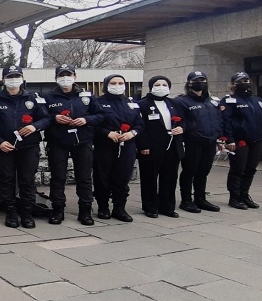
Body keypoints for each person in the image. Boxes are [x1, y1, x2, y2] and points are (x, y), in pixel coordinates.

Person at [0, 65, 51, 229]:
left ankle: (27, 213)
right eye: (10, 77)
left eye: (16, 76)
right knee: (6, 180)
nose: (13, 80)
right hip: (4, 147)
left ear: (22, 78)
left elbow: (46, 119)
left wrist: (35, 126)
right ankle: (11, 213)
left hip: (29, 146)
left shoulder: (34, 99)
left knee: (28, 181)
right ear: (3, 80)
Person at [43, 64, 104, 225]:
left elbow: (100, 115)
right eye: (61, 75)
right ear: (56, 78)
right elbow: (41, 117)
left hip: (83, 140)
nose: (65, 78)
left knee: (84, 177)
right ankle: (58, 210)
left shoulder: (87, 95)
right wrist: (54, 118)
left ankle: (85, 211)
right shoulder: (48, 97)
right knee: (57, 177)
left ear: (75, 77)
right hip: (58, 141)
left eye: (68, 75)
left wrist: (86, 120)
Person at [92, 74, 143, 222]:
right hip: (105, 145)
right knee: (102, 177)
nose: (117, 85)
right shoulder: (97, 102)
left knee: (122, 178)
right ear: (106, 85)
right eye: (113, 83)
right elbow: (93, 124)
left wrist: (132, 133)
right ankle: (103, 207)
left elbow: (140, 124)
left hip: (127, 145)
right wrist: (107, 133)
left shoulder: (131, 103)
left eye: (120, 83)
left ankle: (119, 208)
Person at [220, 71, 262, 210]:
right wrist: (229, 139)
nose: (245, 83)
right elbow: (226, 122)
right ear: (234, 84)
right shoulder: (229, 100)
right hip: (239, 140)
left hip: (257, 140)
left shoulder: (257, 100)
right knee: (238, 169)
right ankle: (234, 197)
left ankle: (244, 195)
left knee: (251, 169)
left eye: (247, 80)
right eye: (241, 81)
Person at [136, 76, 185, 218]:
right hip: (151, 146)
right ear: (151, 87)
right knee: (149, 177)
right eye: (157, 84)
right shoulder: (142, 104)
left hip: (172, 145)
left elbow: (184, 120)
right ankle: (150, 207)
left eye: (164, 84)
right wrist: (143, 145)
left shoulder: (174, 103)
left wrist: (181, 128)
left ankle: (167, 206)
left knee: (169, 177)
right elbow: (140, 126)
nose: (161, 87)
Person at [175, 71, 222, 213]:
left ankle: (200, 199)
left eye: (203, 79)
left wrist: (220, 139)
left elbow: (218, 120)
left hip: (210, 141)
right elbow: (180, 121)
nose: (200, 82)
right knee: (189, 171)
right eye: (196, 80)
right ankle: (186, 200)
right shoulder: (181, 101)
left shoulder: (212, 101)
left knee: (203, 171)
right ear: (189, 83)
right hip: (192, 142)